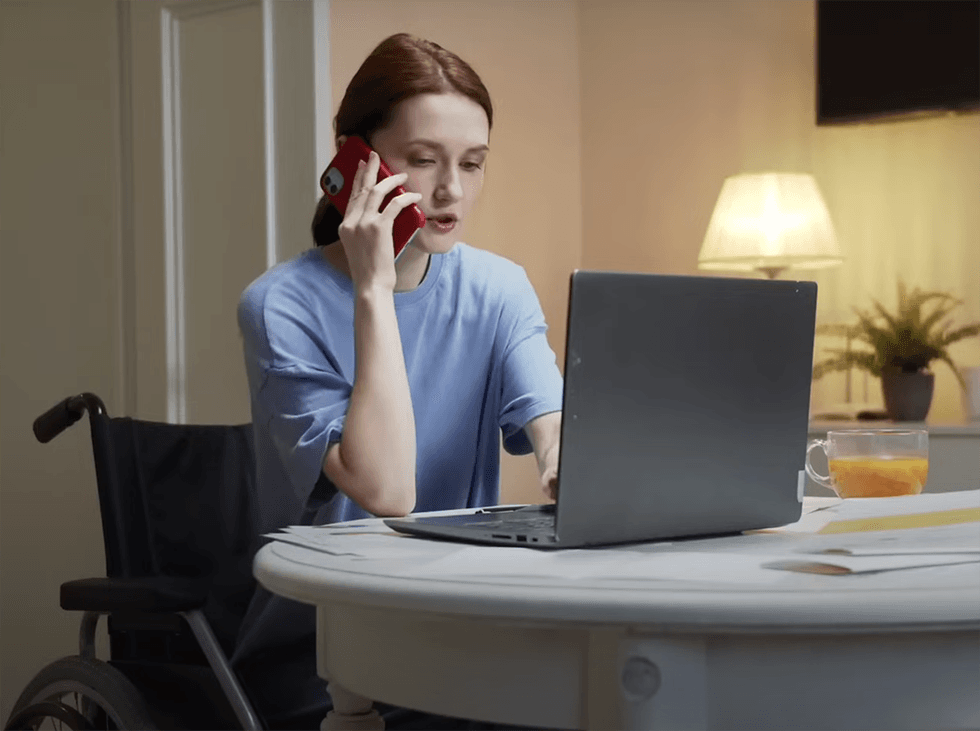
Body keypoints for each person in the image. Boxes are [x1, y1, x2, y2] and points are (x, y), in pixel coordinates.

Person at [232, 32, 564, 730]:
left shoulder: (498, 289)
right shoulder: (279, 304)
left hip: (459, 625)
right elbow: (388, 491)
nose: (452, 190)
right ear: (358, 162)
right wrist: (374, 291)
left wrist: (570, 460)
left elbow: (555, 430)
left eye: (472, 164)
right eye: (423, 160)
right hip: (319, 650)